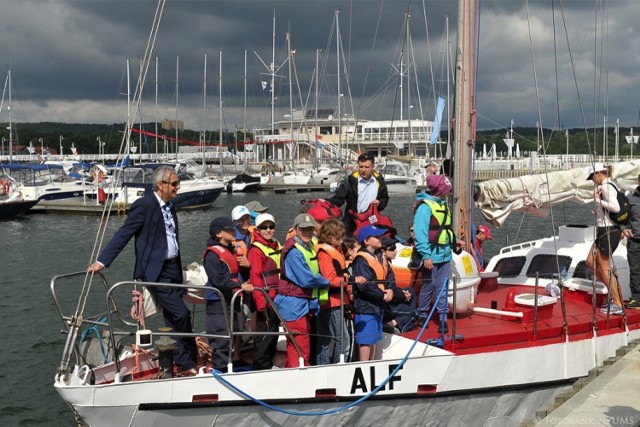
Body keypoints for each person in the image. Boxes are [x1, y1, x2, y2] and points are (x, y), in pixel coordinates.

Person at [87, 165, 198, 376]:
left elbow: (171, 238)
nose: (178, 187)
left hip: (173, 268)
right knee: (181, 313)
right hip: (156, 272)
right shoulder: (144, 205)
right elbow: (125, 233)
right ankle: (188, 358)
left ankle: (186, 361)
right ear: (160, 185)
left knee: (173, 317)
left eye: (177, 183)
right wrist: (102, 261)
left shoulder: (170, 206)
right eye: (174, 184)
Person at [275, 213, 330, 367]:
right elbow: (306, 279)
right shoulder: (294, 251)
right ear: (296, 230)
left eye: (310, 229)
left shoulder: (310, 244)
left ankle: (295, 370)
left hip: (304, 302)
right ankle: (298, 373)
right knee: (299, 343)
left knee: (300, 342)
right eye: (303, 229)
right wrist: (327, 281)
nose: (307, 232)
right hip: (292, 304)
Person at [202, 217, 254, 372]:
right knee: (221, 335)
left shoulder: (231, 250)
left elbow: (235, 274)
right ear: (219, 234)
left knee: (236, 329)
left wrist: (245, 268)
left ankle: (231, 362)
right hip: (218, 300)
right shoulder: (212, 254)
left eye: (233, 228)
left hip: (233, 297)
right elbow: (217, 279)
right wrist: (239, 285)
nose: (234, 231)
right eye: (230, 229)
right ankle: (220, 368)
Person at [315, 218, 364, 365]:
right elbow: (329, 280)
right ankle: (337, 368)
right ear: (329, 236)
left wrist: (349, 292)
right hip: (332, 302)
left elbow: (342, 274)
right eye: (339, 237)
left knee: (325, 338)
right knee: (343, 340)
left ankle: (322, 367)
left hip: (337, 300)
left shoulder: (335, 250)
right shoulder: (324, 254)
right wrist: (353, 280)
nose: (342, 240)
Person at [413, 174, 457, 334]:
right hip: (431, 255)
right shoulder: (425, 208)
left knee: (442, 287)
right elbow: (420, 232)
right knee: (428, 286)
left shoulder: (443, 204)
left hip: (445, 254)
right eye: (446, 191)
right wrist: (426, 256)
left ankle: (443, 317)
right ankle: (422, 314)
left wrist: (455, 240)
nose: (448, 194)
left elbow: (446, 228)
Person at [585, 163, 624, 315]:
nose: (593, 180)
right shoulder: (609, 185)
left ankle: (617, 303)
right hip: (605, 230)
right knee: (589, 261)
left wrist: (597, 201)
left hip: (608, 231)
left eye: (593, 176)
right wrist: (599, 213)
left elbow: (615, 207)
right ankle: (613, 292)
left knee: (604, 267)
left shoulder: (606, 186)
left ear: (599, 173)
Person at [351, 225, 394, 361]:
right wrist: (382, 295)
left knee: (374, 338)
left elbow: (389, 277)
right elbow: (365, 286)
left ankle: (371, 364)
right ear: (367, 240)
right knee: (366, 339)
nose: (380, 238)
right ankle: (364, 365)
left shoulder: (378, 257)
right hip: (366, 305)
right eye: (377, 237)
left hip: (377, 304)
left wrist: (390, 289)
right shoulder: (361, 259)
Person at [247, 213, 282, 370]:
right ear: (258, 230)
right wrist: (262, 306)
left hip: (278, 298)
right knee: (263, 339)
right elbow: (255, 279)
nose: (268, 230)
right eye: (264, 227)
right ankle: (260, 369)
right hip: (266, 302)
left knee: (273, 337)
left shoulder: (276, 245)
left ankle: (270, 366)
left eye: (271, 227)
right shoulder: (256, 250)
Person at [328, 153, 390, 235]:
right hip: (352, 223)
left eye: (367, 167)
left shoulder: (379, 180)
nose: (363, 170)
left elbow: (385, 198)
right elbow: (338, 199)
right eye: (361, 167)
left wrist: (380, 203)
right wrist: (325, 204)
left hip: (371, 221)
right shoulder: (350, 180)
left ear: (373, 167)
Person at [379, 236, 417, 333]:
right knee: (412, 312)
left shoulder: (388, 261)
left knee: (410, 290)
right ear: (383, 251)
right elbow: (388, 288)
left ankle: (406, 322)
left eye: (395, 248)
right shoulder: (382, 264)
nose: (395, 251)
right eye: (392, 249)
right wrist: (402, 295)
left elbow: (392, 286)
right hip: (384, 302)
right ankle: (390, 325)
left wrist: (401, 292)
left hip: (391, 295)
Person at [622, 174, 640, 309]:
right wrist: (623, 228)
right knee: (635, 270)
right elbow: (620, 217)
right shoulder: (629, 199)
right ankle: (636, 298)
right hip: (635, 240)